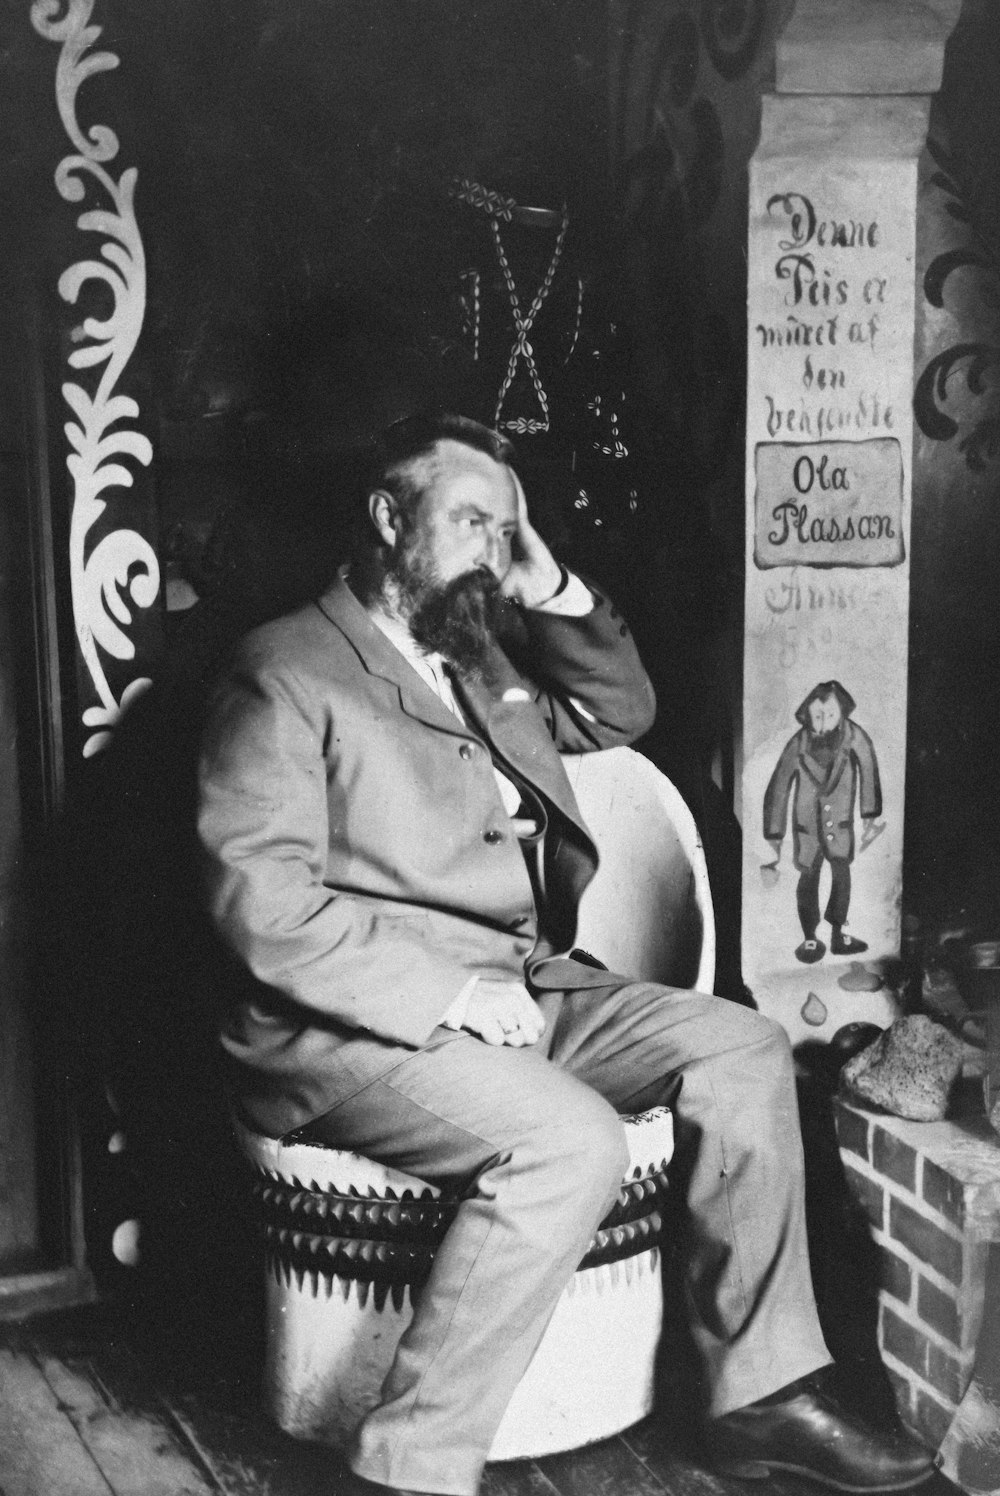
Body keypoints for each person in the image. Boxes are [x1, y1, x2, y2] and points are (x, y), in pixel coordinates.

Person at [197, 413, 933, 1496]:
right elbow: (261, 904)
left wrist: (550, 586)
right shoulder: (287, 669)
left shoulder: (480, 655)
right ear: (387, 516)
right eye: (469, 520)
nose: (492, 547)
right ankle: (402, 1468)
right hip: (352, 1027)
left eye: (507, 526)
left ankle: (760, 1393)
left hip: (524, 985)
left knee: (740, 1045)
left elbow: (620, 710)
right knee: (569, 1140)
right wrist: (446, 991)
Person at [763, 681, 883, 964]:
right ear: (807, 715)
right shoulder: (799, 743)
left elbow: (868, 767)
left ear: (841, 713)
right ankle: (809, 936)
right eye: (817, 716)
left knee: (842, 878)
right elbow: (779, 783)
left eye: (830, 715)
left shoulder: (853, 736)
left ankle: (839, 933)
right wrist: (774, 830)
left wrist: (869, 814)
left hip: (839, 827)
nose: (823, 723)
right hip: (807, 830)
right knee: (808, 880)